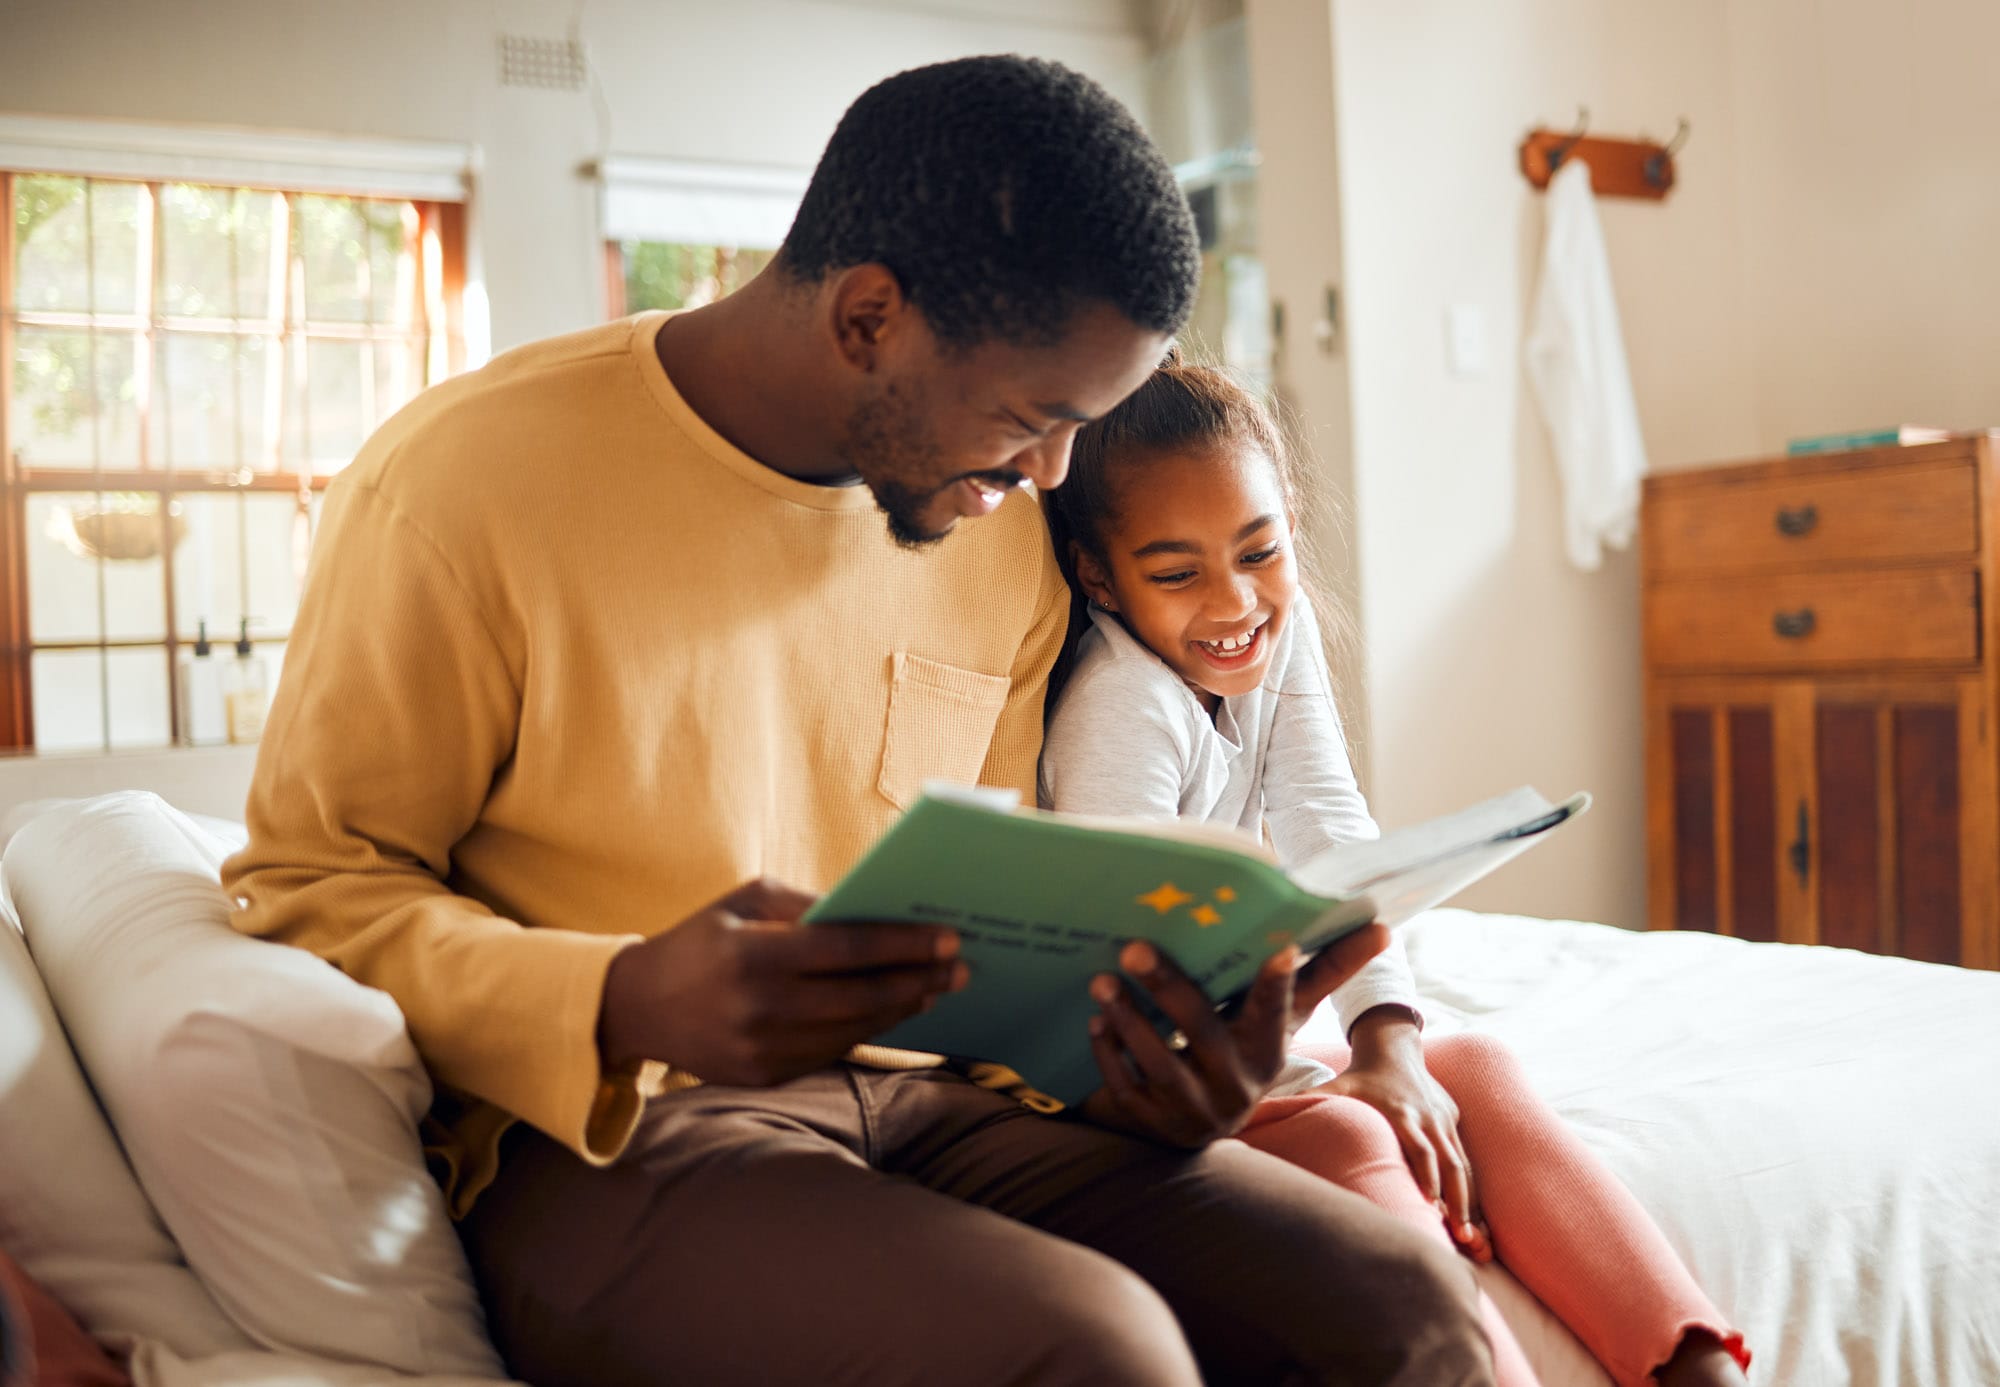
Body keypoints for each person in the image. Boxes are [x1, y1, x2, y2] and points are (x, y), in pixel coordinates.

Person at [223, 55, 1497, 1387]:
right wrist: (616, 993)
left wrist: (1145, 1073)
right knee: (1096, 1347)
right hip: (612, 1133)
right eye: (1031, 417)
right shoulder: (463, 487)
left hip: (944, 1099)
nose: (1052, 475)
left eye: (1084, 426)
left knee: (1398, 1292)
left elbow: (1008, 912)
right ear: (869, 317)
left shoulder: (997, 527)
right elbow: (308, 886)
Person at [1038, 352, 1753, 1387]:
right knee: (1342, 1128)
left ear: (1286, 521)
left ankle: (1690, 1363)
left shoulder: (1267, 635)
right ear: (1100, 579)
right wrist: (1330, 1078)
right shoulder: (1120, 704)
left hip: (1256, 1045)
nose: (1234, 600)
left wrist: (1388, 1041)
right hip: (1166, 1087)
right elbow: (1126, 955)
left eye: (1259, 550)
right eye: (1176, 572)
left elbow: (1328, 821)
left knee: (1472, 1069)